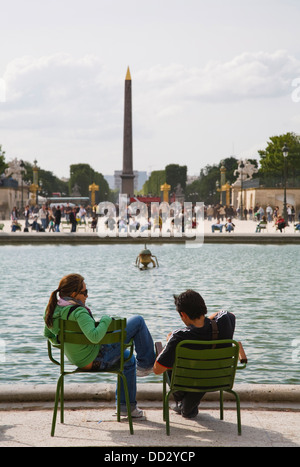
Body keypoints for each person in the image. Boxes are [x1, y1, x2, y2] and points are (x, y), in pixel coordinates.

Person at [44, 274, 156, 418]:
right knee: (138, 321)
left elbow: (48, 333)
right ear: (73, 294)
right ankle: (146, 364)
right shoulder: (78, 311)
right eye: (84, 292)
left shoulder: (53, 310)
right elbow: (95, 337)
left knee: (128, 359)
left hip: (78, 360)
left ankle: (125, 408)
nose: (87, 296)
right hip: (97, 359)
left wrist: (65, 341)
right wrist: (105, 320)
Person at [153, 290, 235, 419]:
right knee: (202, 366)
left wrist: (169, 342)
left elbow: (157, 370)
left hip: (187, 381)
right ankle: (188, 405)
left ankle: (184, 402)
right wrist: (207, 326)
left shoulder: (179, 336)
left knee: (165, 355)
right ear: (203, 307)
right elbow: (227, 313)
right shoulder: (224, 322)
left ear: (183, 314)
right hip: (216, 378)